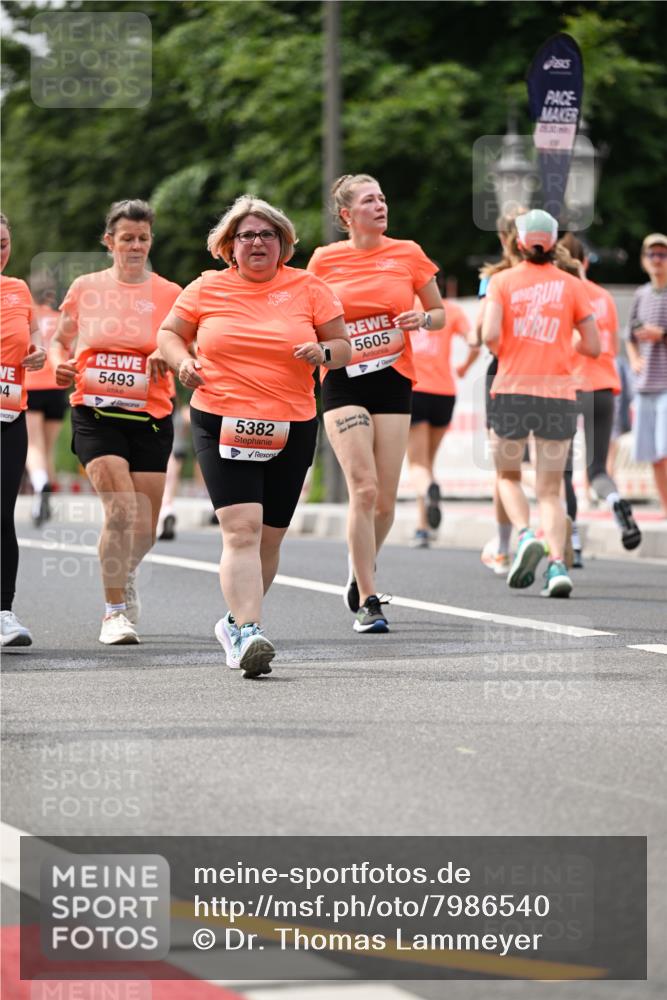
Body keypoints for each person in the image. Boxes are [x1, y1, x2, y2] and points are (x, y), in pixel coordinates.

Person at [157, 195, 349, 677]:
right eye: (247, 235)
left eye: (267, 234)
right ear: (229, 246)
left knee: (269, 537)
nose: (257, 242)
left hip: (292, 422)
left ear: (283, 243)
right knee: (240, 530)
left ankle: (232, 622)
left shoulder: (309, 288)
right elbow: (168, 334)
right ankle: (249, 631)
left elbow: (344, 347)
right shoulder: (206, 288)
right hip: (220, 416)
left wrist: (323, 353)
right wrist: (182, 362)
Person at [308, 174, 444, 632]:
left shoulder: (407, 253)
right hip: (343, 380)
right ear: (348, 215)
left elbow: (439, 313)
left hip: (393, 379)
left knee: (385, 501)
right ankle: (369, 600)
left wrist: (422, 317)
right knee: (362, 488)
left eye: (384, 197)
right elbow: (303, 313)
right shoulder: (324, 260)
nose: (381, 205)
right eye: (370, 200)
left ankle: (358, 567)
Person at [50, 199, 181, 645]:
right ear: (109, 242)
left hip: (150, 414)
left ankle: (123, 576)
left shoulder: (169, 293)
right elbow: (60, 340)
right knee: (121, 510)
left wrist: (169, 353)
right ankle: (113, 614)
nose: (136, 246)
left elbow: (185, 343)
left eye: (143, 239)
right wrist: (60, 365)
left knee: (145, 525)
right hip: (94, 411)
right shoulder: (87, 287)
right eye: (127, 238)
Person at [482, 209, 600, 598]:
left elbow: (489, 336)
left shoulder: (501, 281)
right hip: (559, 392)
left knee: (508, 476)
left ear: (518, 242)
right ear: (554, 245)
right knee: (551, 490)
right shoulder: (572, 285)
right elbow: (594, 346)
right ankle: (557, 567)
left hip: (513, 388)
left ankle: (525, 534)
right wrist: (564, 346)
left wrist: (515, 351)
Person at [559, 233, 641, 565]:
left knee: (562, 470)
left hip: (568, 384)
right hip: (604, 385)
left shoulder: (562, 295)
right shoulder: (604, 297)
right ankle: (615, 500)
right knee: (597, 469)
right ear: (588, 261)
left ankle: (573, 539)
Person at [1, 213, 47, 646]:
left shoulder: (17, 290)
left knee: (2, 515)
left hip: (9, 416)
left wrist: (38, 354)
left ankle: (3, 613)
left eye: (3, 243)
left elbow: (35, 340)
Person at [408, 269, 478, 547]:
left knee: (417, 464)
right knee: (429, 461)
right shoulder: (450, 310)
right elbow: (474, 340)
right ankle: (423, 525)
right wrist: (464, 367)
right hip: (445, 393)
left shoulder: (406, 306)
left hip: (414, 390)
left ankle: (427, 503)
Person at [474, 210, 525, 574]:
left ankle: (506, 546)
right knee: (555, 472)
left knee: (505, 469)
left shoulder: (495, 279)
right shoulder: (560, 276)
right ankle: (564, 548)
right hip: (550, 374)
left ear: (505, 240)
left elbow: (482, 334)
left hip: (505, 374)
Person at [626, 233, 667, 517]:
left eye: (662, 255)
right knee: (653, 453)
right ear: (643, 260)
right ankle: (665, 506)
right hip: (645, 384)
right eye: (651, 254)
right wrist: (635, 358)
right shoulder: (640, 295)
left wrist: (660, 334)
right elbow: (628, 335)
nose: (657, 260)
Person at [25, 270, 68, 527]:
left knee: (33, 445)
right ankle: (46, 499)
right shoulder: (60, 319)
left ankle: (41, 487)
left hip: (31, 386)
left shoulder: (28, 317)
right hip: (56, 387)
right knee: (48, 448)